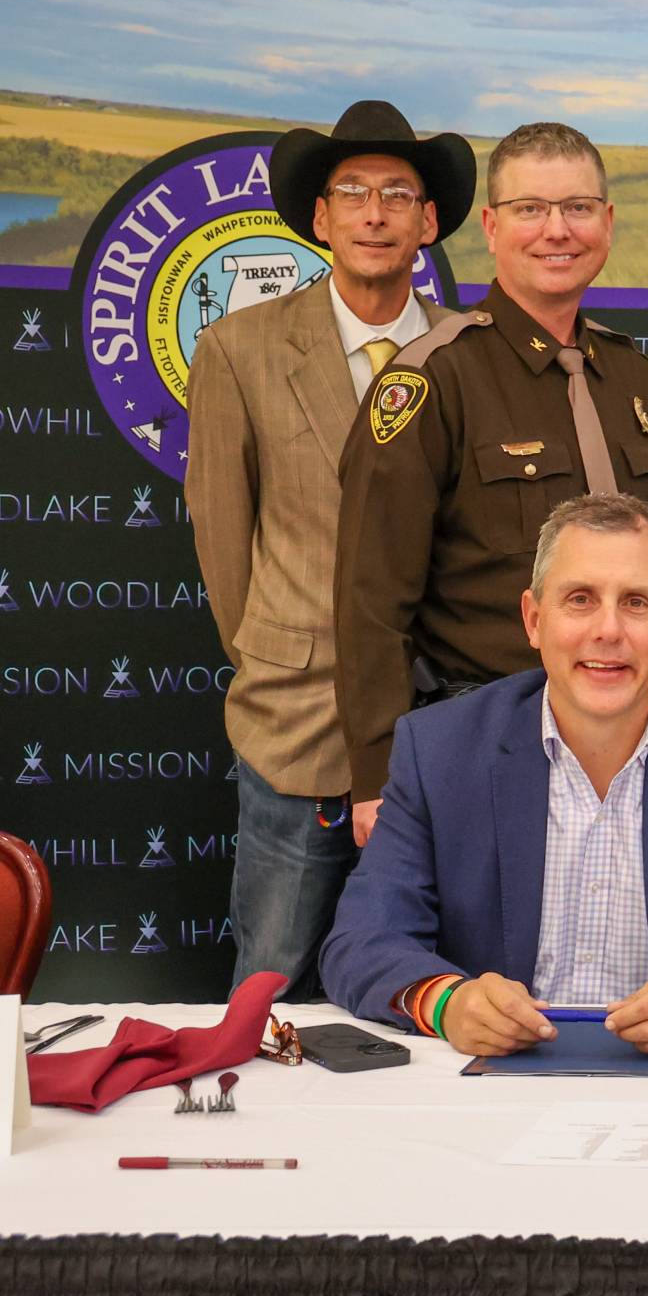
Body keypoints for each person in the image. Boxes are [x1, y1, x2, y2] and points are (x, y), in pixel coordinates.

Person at [321, 493, 648, 1057]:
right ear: (534, 619)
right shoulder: (440, 749)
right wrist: (446, 1003)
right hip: (495, 1091)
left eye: (636, 603)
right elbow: (362, 940)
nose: (608, 630)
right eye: (580, 600)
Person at [334, 121, 648, 846]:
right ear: (493, 228)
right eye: (531, 209)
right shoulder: (432, 379)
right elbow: (370, 600)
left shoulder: (636, 380)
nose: (556, 230)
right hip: (488, 746)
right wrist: (377, 779)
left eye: (576, 207)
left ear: (607, 222)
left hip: (644, 748)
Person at [187, 100, 473, 1000]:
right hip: (295, 724)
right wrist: (287, 653)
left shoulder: (468, 352)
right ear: (321, 218)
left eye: (398, 192)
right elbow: (225, 545)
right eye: (353, 192)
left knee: (440, 988)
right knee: (273, 987)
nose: (375, 212)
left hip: (443, 725)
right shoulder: (241, 348)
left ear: (429, 222)